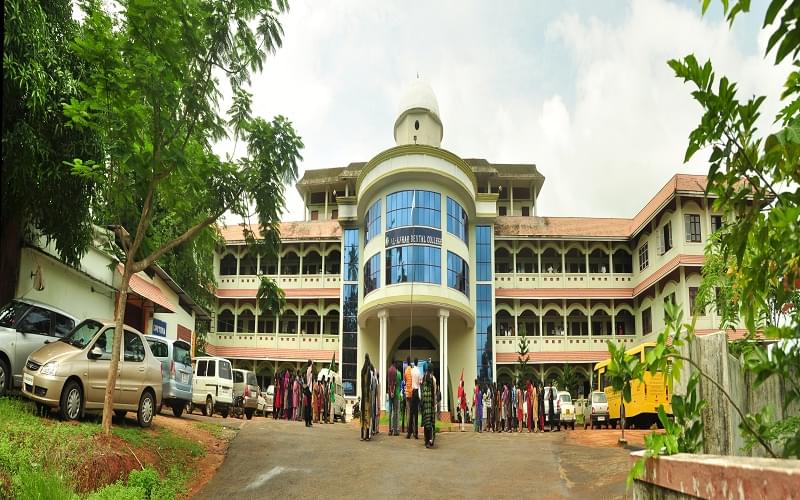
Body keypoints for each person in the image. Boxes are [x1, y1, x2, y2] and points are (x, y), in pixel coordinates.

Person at [420, 364, 436, 448]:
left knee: (426, 423)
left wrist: (422, 403)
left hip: (424, 404)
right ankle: (430, 440)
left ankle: (426, 441)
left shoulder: (423, 378)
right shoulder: (432, 379)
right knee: (431, 422)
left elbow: (422, 390)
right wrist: (434, 403)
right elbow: (433, 392)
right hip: (430, 404)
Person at [360, 354, 373, 441]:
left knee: (363, 415)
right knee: (368, 415)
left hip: (363, 396)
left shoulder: (362, 371)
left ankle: (362, 435)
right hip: (368, 396)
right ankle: (367, 435)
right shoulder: (370, 371)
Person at [387, 360, 399, 436]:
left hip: (389, 392)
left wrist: (389, 392)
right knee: (395, 412)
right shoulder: (395, 371)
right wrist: (392, 392)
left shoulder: (388, 370)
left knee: (390, 411)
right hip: (393, 393)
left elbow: (389, 382)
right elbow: (394, 383)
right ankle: (395, 431)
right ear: (395, 363)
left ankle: (390, 430)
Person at [404, 357, 413, 437]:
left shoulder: (406, 371)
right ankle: (412, 429)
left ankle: (408, 430)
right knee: (412, 412)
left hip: (407, 394)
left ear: (406, 363)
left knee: (408, 412)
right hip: (412, 393)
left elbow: (405, 381)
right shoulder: (412, 370)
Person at [304, 360, 313, 427]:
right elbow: (309, 380)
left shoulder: (308, 369)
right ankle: (307, 422)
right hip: (308, 390)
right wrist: (307, 386)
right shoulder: (310, 369)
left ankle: (309, 421)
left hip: (308, 389)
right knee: (308, 407)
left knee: (308, 407)